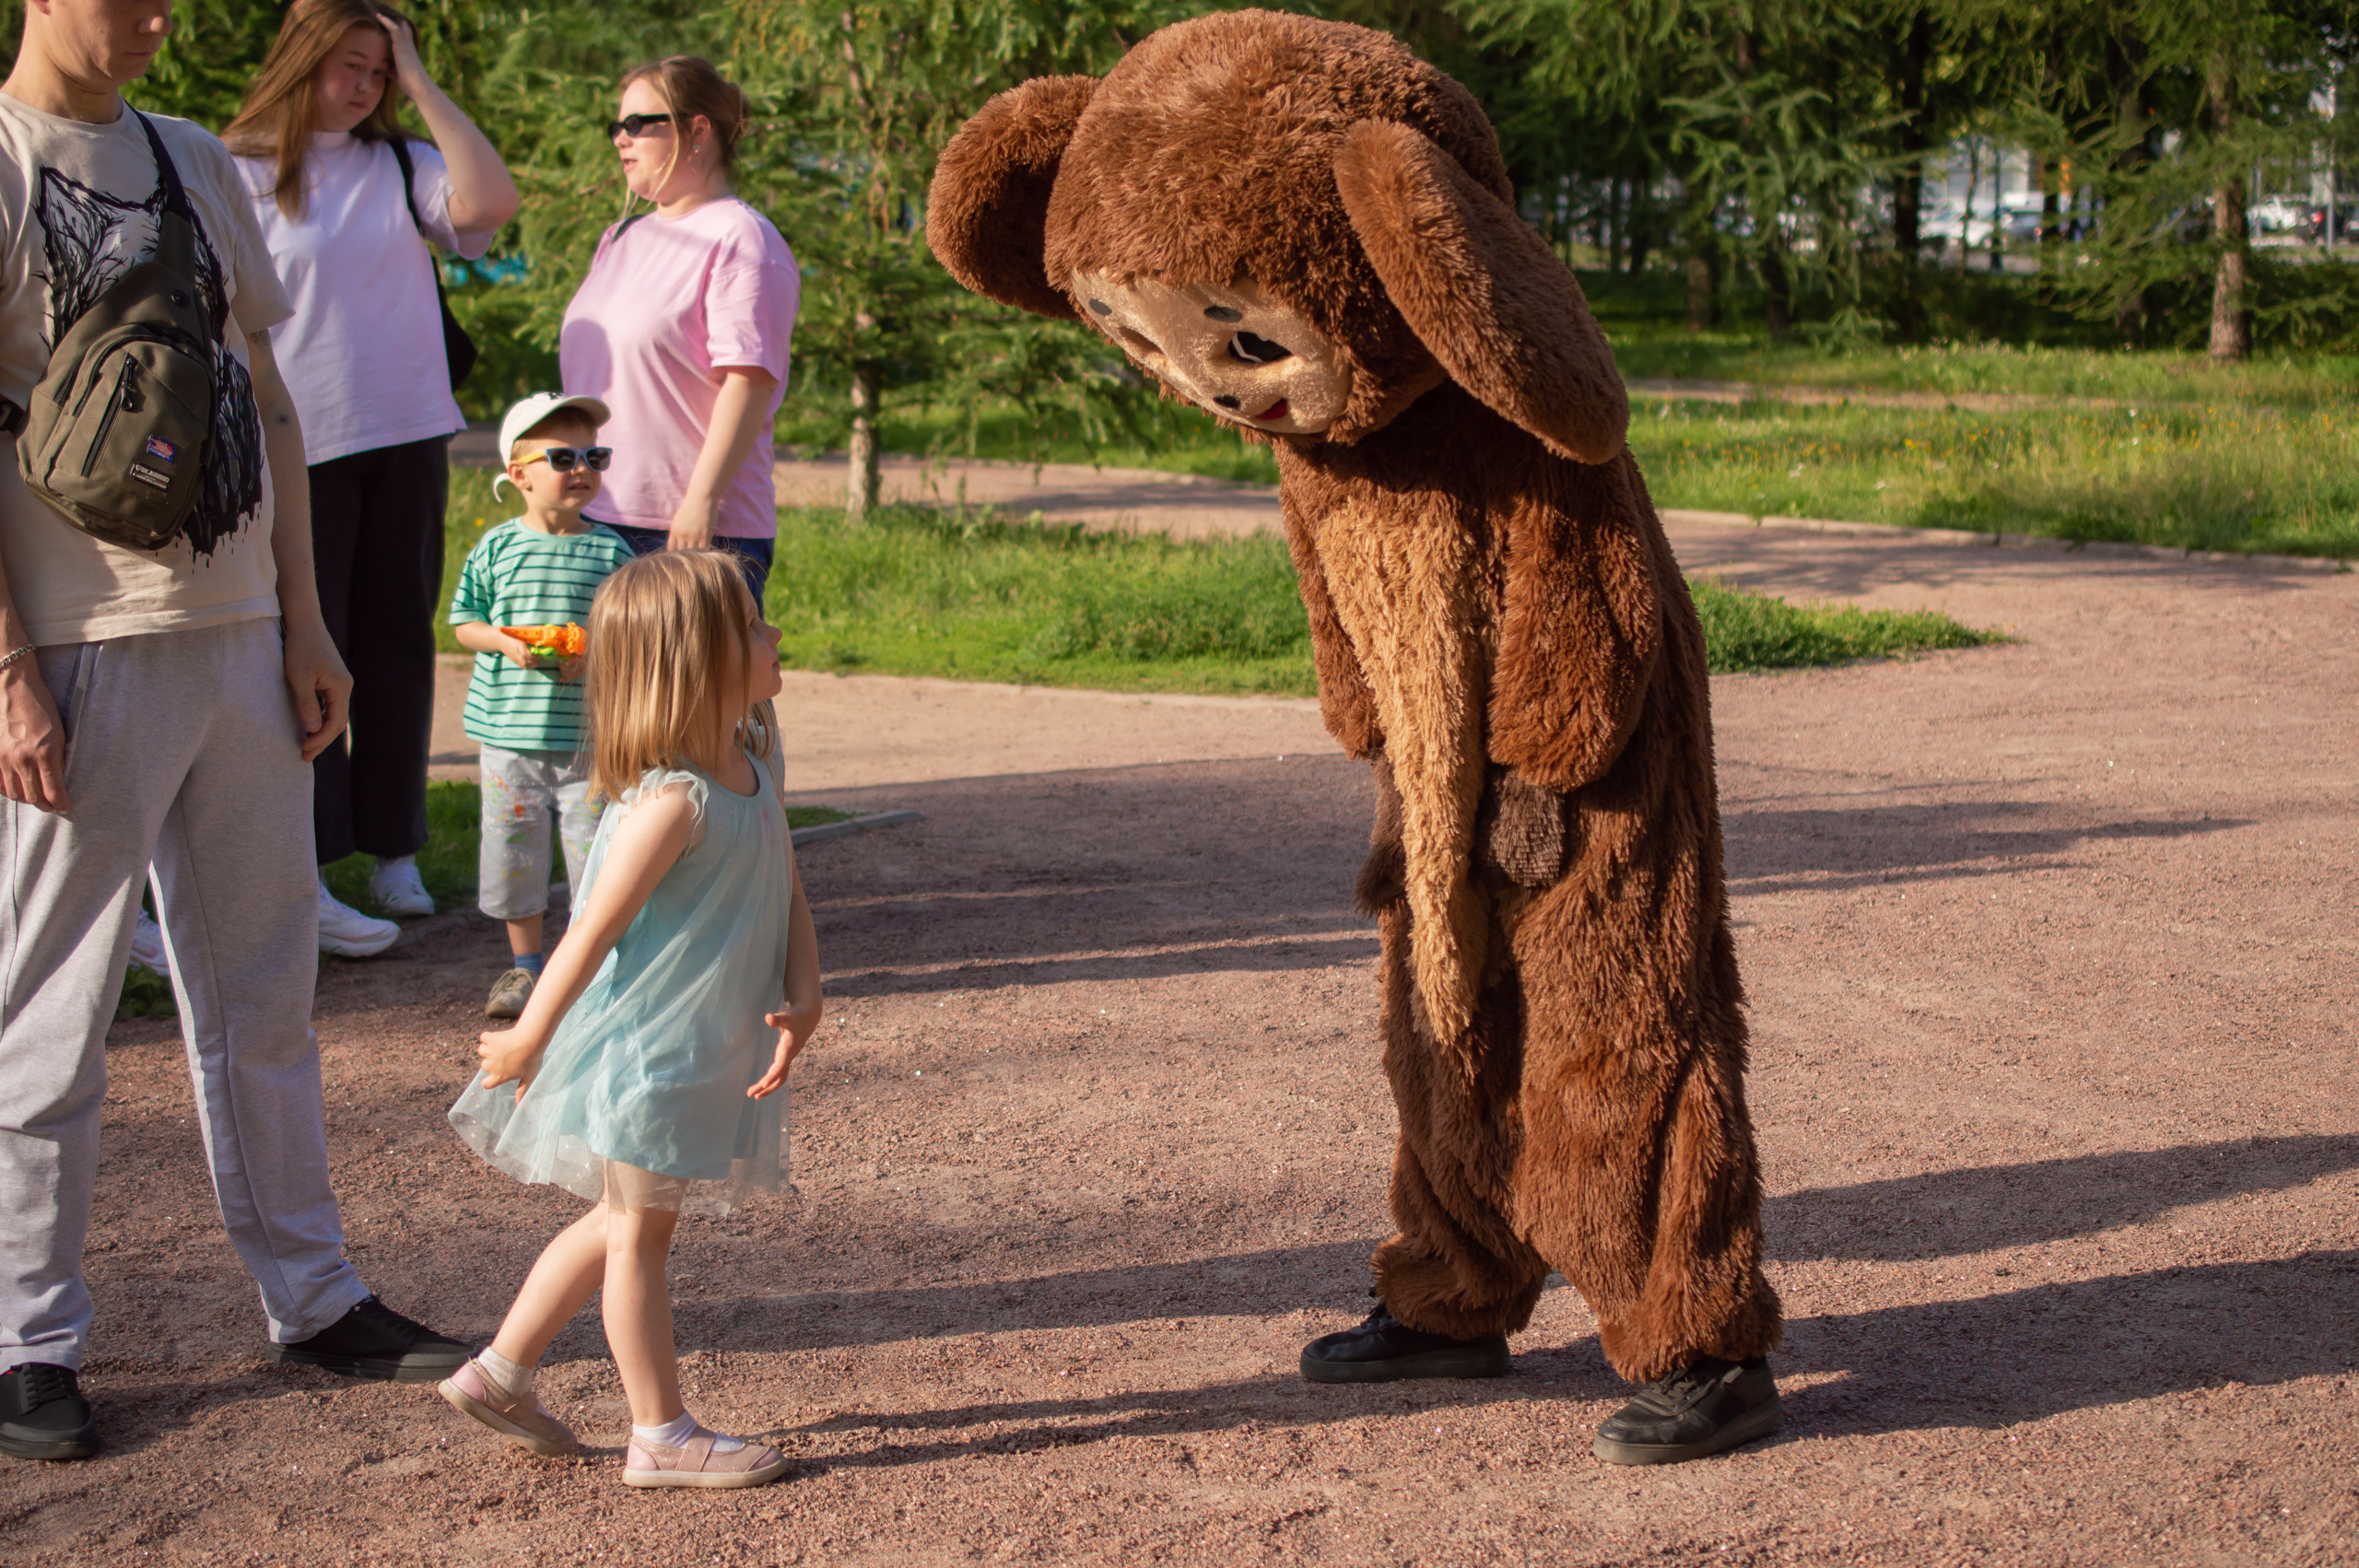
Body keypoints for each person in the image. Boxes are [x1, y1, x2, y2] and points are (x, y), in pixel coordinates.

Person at [0, 0, 467, 1465]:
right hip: (79, 643)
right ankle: (25, 1339)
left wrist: (304, 621)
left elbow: (268, 399)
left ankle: (313, 1295)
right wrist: (8, 672)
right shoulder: (4, 160)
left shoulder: (194, 156)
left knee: (264, 992)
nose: (154, 19)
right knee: (49, 1011)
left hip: (241, 638)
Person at [440, 549, 820, 1489]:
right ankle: (659, 1435)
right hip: (649, 1056)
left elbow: (786, 880)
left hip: (695, 1049)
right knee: (640, 1237)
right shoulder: (672, 801)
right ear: (698, 660)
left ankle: (498, 1374)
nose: (775, 635)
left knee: (620, 1218)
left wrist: (805, 990)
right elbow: (588, 933)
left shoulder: (752, 762)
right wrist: (529, 1033)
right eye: (753, 627)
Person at [224, 0, 519, 953]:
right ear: (302, 58)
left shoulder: (401, 162)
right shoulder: (234, 168)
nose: (364, 86)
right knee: (307, 652)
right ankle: (307, 863)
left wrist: (419, 79)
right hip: (294, 449)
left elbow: (489, 206)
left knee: (395, 644)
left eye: (378, 71)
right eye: (348, 64)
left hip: (407, 434)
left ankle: (394, 852)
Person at [558, 56, 797, 606]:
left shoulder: (742, 238)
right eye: (616, 126)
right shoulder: (620, 237)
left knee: (695, 670)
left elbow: (749, 381)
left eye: (638, 124)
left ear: (698, 131)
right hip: (594, 514)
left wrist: (701, 501)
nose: (621, 139)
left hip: (688, 529)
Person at [447, 393, 634, 1021]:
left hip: (588, 740)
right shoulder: (496, 548)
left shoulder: (611, 552)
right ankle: (524, 967)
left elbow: (629, 629)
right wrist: (503, 641)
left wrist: (597, 650)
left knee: (596, 856)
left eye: (594, 457)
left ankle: (591, 968)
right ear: (519, 474)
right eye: (563, 458)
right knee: (514, 854)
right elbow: (464, 622)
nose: (582, 469)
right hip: (509, 736)